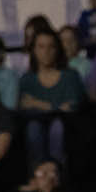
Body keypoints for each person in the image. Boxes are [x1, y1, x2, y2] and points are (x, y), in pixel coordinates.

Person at [19, 31, 86, 169]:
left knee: (57, 126)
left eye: (51, 47)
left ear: (58, 49)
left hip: (69, 129)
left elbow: (72, 108)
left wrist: (37, 103)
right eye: (41, 47)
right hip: (35, 126)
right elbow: (24, 110)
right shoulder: (27, 79)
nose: (46, 52)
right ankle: (38, 178)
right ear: (34, 50)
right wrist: (57, 107)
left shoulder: (70, 76)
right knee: (34, 128)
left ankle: (58, 176)